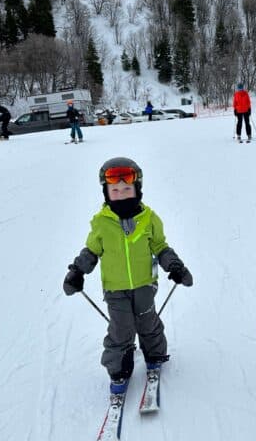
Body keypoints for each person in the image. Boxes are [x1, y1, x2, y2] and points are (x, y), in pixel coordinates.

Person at [62, 157, 193, 395]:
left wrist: (175, 267)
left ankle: (155, 355)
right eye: (115, 190)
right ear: (107, 192)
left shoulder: (149, 219)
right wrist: (77, 271)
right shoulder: (101, 223)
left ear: (137, 188)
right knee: (121, 330)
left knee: (148, 321)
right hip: (115, 289)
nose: (121, 194)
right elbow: (91, 251)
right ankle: (119, 369)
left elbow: (161, 247)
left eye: (126, 189)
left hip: (145, 285)